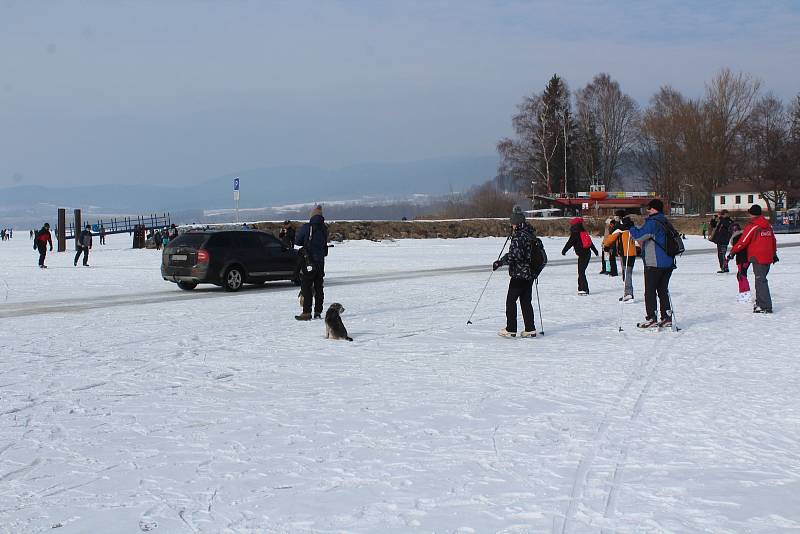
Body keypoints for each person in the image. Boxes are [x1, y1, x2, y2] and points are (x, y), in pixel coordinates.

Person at [626, 199, 675, 328]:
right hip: (668, 262)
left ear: (653, 209)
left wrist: (630, 227)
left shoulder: (653, 222)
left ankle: (651, 318)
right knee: (663, 290)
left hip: (655, 262)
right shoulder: (665, 221)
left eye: (648, 209)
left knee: (650, 291)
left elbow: (639, 236)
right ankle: (666, 317)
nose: (647, 212)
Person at [493, 206, 537, 338]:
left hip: (519, 274)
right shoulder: (529, 233)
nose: (511, 226)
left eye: (512, 223)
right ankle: (530, 329)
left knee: (510, 300)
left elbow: (515, 255)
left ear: (516, 223)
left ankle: (511, 328)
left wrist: (501, 262)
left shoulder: (518, 236)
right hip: (530, 273)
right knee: (525, 301)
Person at [728, 204, 777, 313]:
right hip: (768, 256)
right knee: (761, 279)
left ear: (752, 213)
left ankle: (765, 306)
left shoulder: (753, 226)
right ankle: (760, 303)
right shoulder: (768, 225)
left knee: (761, 281)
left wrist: (733, 252)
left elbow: (743, 241)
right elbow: (773, 240)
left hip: (757, 256)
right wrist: (774, 254)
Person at [294, 205, 329, 320]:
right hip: (320, 262)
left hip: (309, 261)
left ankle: (306, 312)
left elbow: (298, 241)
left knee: (306, 287)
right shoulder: (324, 229)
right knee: (319, 287)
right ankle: (318, 312)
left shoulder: (307, 227)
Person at [604, 210, 637, 302]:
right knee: (628, 272)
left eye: (617, 216)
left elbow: (612, 237)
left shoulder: (620, 226)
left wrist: (606, 246)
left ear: (620, 217)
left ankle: (628, 293)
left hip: (625, 252)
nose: (616, 218)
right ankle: (628, 293)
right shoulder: (631, 224)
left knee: (627, 273)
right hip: (632, 252)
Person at [561, 217, 598, 295]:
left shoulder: (575, 233)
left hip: (582, 255)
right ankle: (581, 288)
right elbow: (590, 243)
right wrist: (595, 251)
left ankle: (584, 289)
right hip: (587, 254)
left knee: (581, 272)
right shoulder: (583, 232)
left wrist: (564, 250)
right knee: (581, 271)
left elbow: (569, 243)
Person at [727, 221, 751, 303]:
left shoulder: (736, 237)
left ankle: (745, 294)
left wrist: (731, 255)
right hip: (746, 258)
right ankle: (742, 292)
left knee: (742, 275)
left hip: (742, 259)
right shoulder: (744, 235)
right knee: (740, 275)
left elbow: (738, 248)